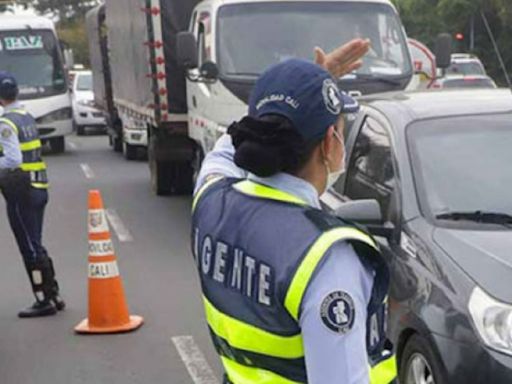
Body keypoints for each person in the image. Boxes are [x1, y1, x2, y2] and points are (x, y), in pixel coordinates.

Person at [191, 40, 396, 383]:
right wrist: (309, 89)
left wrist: (301, 89)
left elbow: (227, 148)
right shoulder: (326, 258)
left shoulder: (211, 201)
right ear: (331, 143)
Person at [0, 71, 65, 318]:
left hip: (20, 191)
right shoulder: (26, 117)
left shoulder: (6, 123)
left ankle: (43, 298)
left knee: (29, 246)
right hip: (39, 188)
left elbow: (14, 159)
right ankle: (54, 293)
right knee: (36, 242)